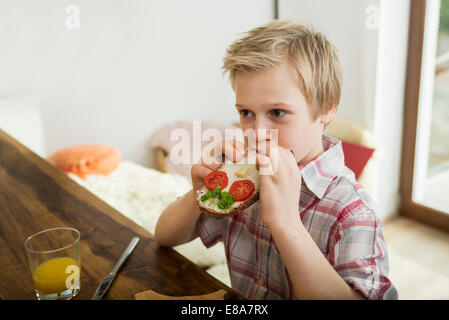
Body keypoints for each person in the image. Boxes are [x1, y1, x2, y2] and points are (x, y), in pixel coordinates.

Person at [154, 20, 398, 300]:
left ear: (328, 107)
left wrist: (286, 223)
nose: (257, 133)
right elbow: (164, 236)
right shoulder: (243, 182)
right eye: (246, 113)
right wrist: (199, 195)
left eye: (278, 113)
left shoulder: (352, 210)